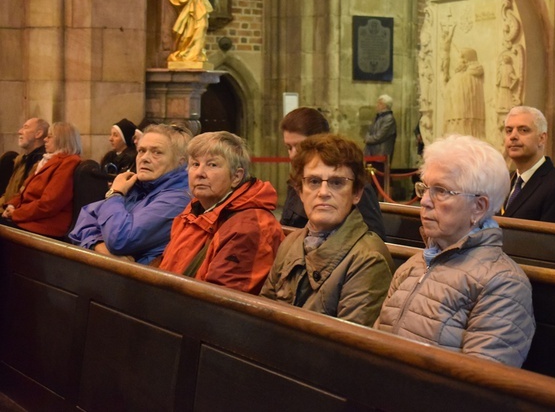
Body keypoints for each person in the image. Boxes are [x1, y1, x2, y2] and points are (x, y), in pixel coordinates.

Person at [375, 134, 535, 366]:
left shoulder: (503, 283)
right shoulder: (413, 266)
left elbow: (479, 385)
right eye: (425, 188)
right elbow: (374, 342)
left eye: (441, 191)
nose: (424, 201)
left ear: (478, 207)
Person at [261, 134, 395, 327]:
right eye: (314, 181)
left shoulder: (369, 259)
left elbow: (346, 346)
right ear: (300, 191)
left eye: (337, 182)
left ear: (356, 193)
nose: (323, 192)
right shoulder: (291, 242)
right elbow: (261, 315)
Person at [159, 131, 284, 293]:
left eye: (212, 165)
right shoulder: (194, 210)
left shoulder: (248, 227)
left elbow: (220, 301)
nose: (200, 173)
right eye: (195, 164)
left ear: (236, 177)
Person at [69, 124, 192, 264]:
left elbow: (120, 239)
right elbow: (85, 218)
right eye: (141, 151)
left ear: (180, 162)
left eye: (157, 152)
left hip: (141, 281)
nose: (144, 158)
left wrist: (115, 193)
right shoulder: (139, 185)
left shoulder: (177, 199)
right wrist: (98, 246)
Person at [279, 107, 386, 240]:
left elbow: (375, 237)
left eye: (300, 146)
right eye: (289, 148)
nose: (293, 155)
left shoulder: (351, 184)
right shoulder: (296, 182)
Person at [0, 121, 82, 239]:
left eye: (50, 136)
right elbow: (23, 192)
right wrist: (11, 206)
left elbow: (49, 204)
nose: (45, 139)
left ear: (61, 139)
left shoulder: (69, 162)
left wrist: (16, 214)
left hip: (46, 224)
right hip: (30, 217)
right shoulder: (46, 161)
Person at [501, 106, 555, 223]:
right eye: (509, 130)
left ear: (542, 138)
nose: (513, 136)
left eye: (523, 130)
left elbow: (549, 240)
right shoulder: (504, 182)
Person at [0, 117, 49, 208]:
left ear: (38, 133)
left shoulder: (43, 163)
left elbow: (27, 197)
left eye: (25, 127)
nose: (19, 131)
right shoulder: (22, 159)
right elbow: (9, 193)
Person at [364, 94, 397, 162]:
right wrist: (367, 137)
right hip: (371, 153)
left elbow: (380, 136)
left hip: (381, 153)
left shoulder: (389, 119)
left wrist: (368, 139)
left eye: (379, 103)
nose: (377, 105)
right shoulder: (378, 117)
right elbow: (370, 130)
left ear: (385, 105)